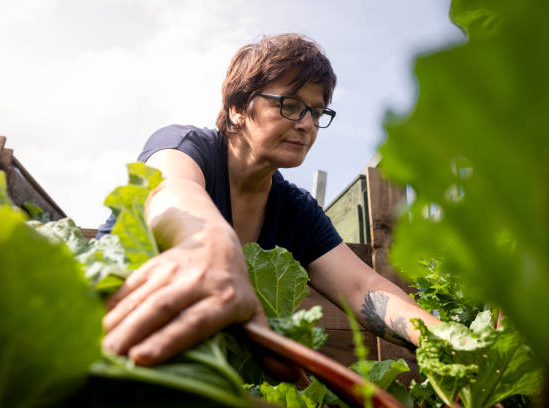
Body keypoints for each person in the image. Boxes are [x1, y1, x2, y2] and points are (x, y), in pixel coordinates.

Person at [99, 33, 440, 366]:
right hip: (103, 334)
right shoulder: (186, 146)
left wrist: (445, 342)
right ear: (237, 108)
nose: (307, 124)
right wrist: (213, 248)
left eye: (317, 112)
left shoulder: (296, 211)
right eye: (290, 106)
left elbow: (361, 286)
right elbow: (171, 191)